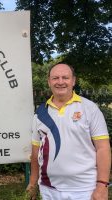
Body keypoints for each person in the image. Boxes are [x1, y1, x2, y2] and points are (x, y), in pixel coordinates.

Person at [26, 63, 111, 200]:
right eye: (55, 78)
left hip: (84, 189)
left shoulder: (90, 109)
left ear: (73, 81)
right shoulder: (40, 113)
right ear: (49, 82)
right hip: (48, 189)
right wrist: (32, 183)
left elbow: (103, 148)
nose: (60, 82)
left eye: (65, 77)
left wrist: (102, 185)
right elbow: (36, 152)